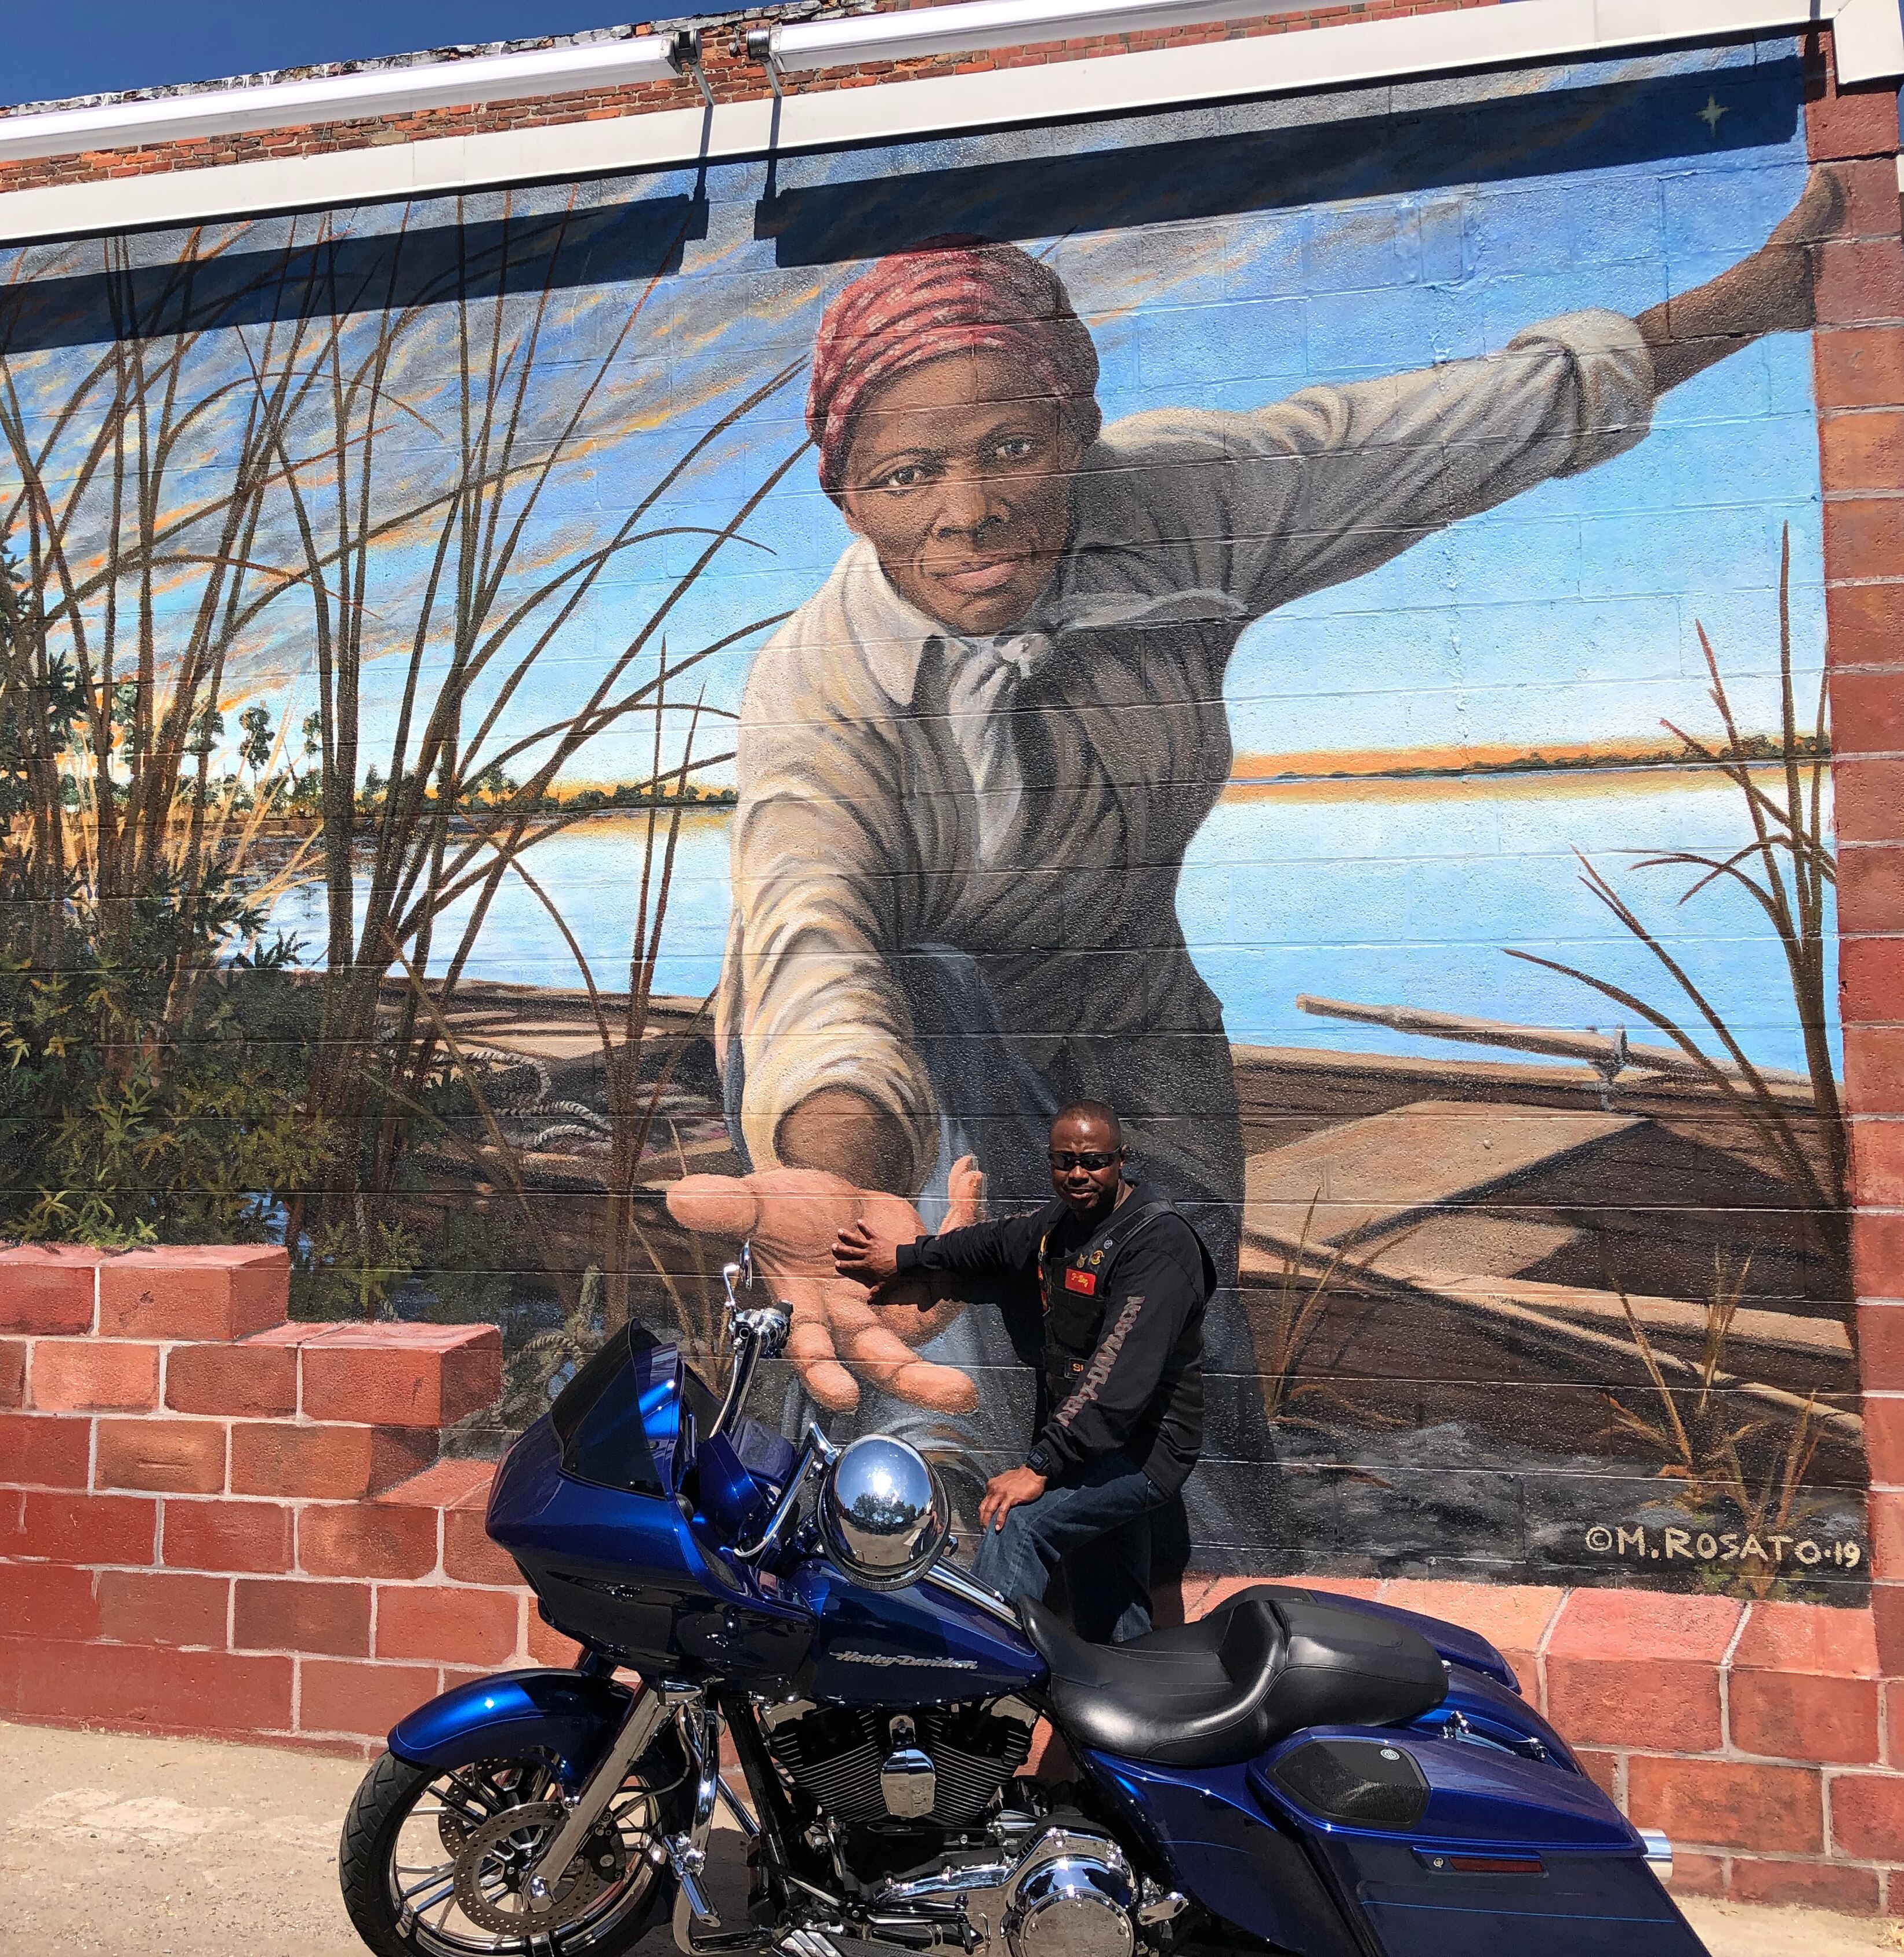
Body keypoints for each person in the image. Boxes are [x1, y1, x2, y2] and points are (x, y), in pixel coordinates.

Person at [697, 169, 1844, 1557]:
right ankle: (954, 1648)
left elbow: (1441, 431)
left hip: (1123, 996)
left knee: (1176, 1359)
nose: (966, 511)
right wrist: (835, 1177)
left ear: (1075, 426)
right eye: (905, 475)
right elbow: (814, 948)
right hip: (896, 1047)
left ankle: (1231, 1656)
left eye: (1005, 450)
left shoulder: (1181, 498)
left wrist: (1738, 307)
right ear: (848, 498)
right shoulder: (817, 690)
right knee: (976, 1372)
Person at [834, 1101, 1212, 1644]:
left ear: (1121, 1160)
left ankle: (973, 1680)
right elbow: (989, 1244)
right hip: (1093, 1443)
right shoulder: (1061, 1225)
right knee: (1105, 1593)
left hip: (1142, 1449)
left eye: (1094, 1161)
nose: (1078, 1174)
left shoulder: (1157, 1244)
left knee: (1020, 1523)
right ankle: (1127, 1696)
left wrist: (1042, 1466)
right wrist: (904, 1258)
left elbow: (1118, 1374)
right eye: (1064, 1161)